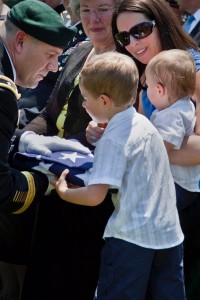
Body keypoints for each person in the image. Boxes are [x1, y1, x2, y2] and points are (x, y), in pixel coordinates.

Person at [9, 0, 122, 299]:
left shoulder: (126, 63)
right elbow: (49, 113)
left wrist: (64, 152)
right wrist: (26, 141)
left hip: (85, 188)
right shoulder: (80, 50)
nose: (93, 18)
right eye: (85, 9)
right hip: (50, 180)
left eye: (103, 9)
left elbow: (112, 131)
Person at [52, 51, 185, 300]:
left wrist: (64, 191)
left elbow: (94, 196)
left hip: (130, 239)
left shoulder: (112, 139)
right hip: (168, 235)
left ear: (104, 101)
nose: (83, 105)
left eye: (86, 99)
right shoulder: (145, 124)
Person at [0, 0, 76, 298]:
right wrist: (46, 181)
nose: (54, 67)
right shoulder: (3, 94)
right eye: (51, 55)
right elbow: (3, 189)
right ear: (20, 42)